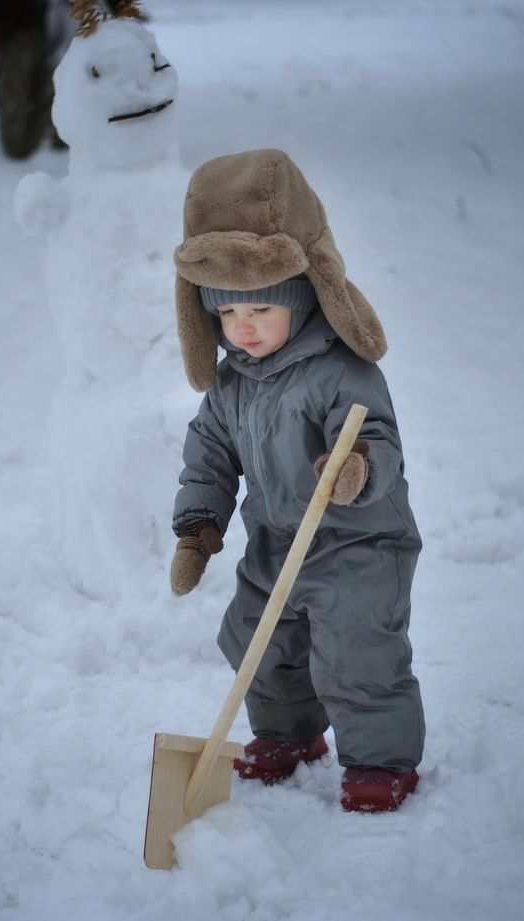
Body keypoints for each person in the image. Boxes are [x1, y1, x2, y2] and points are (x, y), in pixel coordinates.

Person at [169, 149, 425, 813]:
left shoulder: (342, 372)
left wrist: (354, 468)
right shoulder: (232, 382)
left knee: (357, 651)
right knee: (257, 642)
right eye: (227, 313)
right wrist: (198, 523)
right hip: (276, 541)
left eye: (259, 308)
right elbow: (209, 453)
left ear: (301, 297)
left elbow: (376, 440)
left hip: (356, 544)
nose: (242, 327)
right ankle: (288, 734)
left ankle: (380, 761)